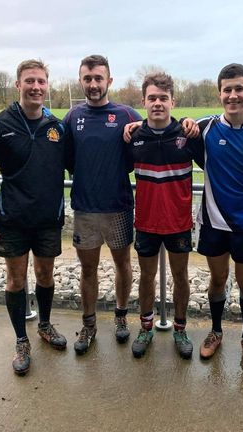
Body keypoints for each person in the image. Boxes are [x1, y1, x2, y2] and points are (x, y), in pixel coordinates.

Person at [0, 59, 70, 376]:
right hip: (11, 219)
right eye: (30, 81)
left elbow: (80, 165)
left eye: (41, 81)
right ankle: (21, 340)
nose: (36, 87)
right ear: (18, 85)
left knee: (45, 276)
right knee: (15, 280)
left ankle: (44, 324)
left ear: (47, 85)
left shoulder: (58, 127)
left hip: (48, 218)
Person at [190, 64, 243, 370]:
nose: (233, 95)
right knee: (217, 279)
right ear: (219, 94)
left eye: (239, 88)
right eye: (227, 89)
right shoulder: (204, 128)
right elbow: (165, 133)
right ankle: (215, 331)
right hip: (213, 222)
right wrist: (131, 127)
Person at [62, 55, 143, 355]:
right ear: (80, 81)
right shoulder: (72, 117)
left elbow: (142, 151)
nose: (93, 84)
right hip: (84, 209)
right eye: (87, 79)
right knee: (88, 270)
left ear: (109, 80)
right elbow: (67, 160)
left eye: (99, 78)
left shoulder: (126, 114)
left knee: (123, 264)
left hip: (119, 207)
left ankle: (121, 316)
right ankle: (89, 324)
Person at [125, 72, 198, 360]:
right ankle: (145, 327)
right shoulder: (134, 136)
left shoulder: (188, 134)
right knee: (146, 276)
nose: (157, 103)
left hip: (178, 223)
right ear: (143, 101)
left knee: (181, 276)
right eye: (152, 98)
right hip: (145, 222)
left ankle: (180, 329)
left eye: (163, 98)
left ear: (172, 101)